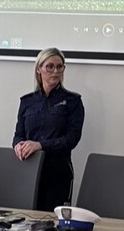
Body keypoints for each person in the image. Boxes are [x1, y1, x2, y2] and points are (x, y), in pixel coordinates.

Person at [13, 47, 85, 211]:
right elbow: (18, 135)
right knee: (26, 217)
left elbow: (71, 139)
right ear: (39, 69)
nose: (55, 71)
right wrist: (17, 145)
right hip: (29, 169)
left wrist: (40, 145)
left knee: (53, 218)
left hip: (57, 172)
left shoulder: (73, 101)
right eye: (50, 67)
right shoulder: (27, 101)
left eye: (60, 67)